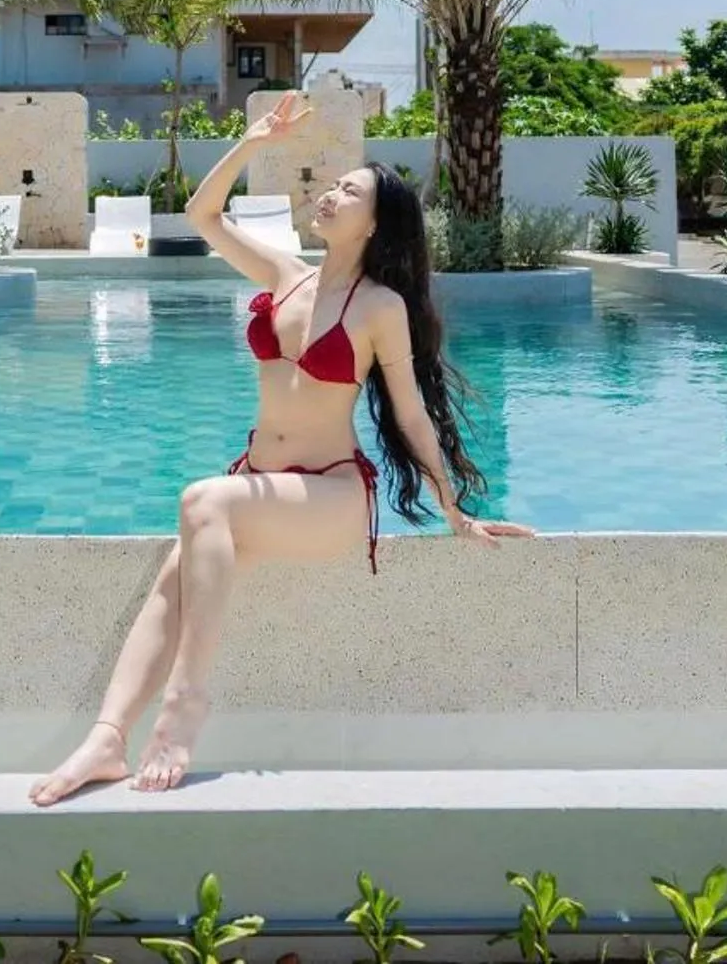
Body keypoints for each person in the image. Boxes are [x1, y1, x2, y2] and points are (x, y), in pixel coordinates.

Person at [28, 91, 534, 805]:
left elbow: (414, 415)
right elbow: (204, 215)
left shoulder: (380, 308)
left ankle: (184, 708)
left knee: (201, 498)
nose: (330, 194)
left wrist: (456, 507)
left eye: (348, 191)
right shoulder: (284, 272)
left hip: (329, 494)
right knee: (171, 582)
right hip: (261, 489)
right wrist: (252, 139)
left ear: (376, 221)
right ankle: (107, 739)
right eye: (332, 185)